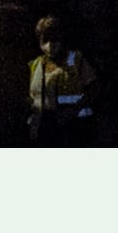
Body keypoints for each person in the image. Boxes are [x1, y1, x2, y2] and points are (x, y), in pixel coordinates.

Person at [28, 15, 99, 145]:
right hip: (47, 128)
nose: (50, 44)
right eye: (45, 39)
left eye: (54, 39)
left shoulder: (76, 60)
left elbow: (94, 88)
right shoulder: (36, 65)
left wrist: (73, 111)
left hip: (76, 127)